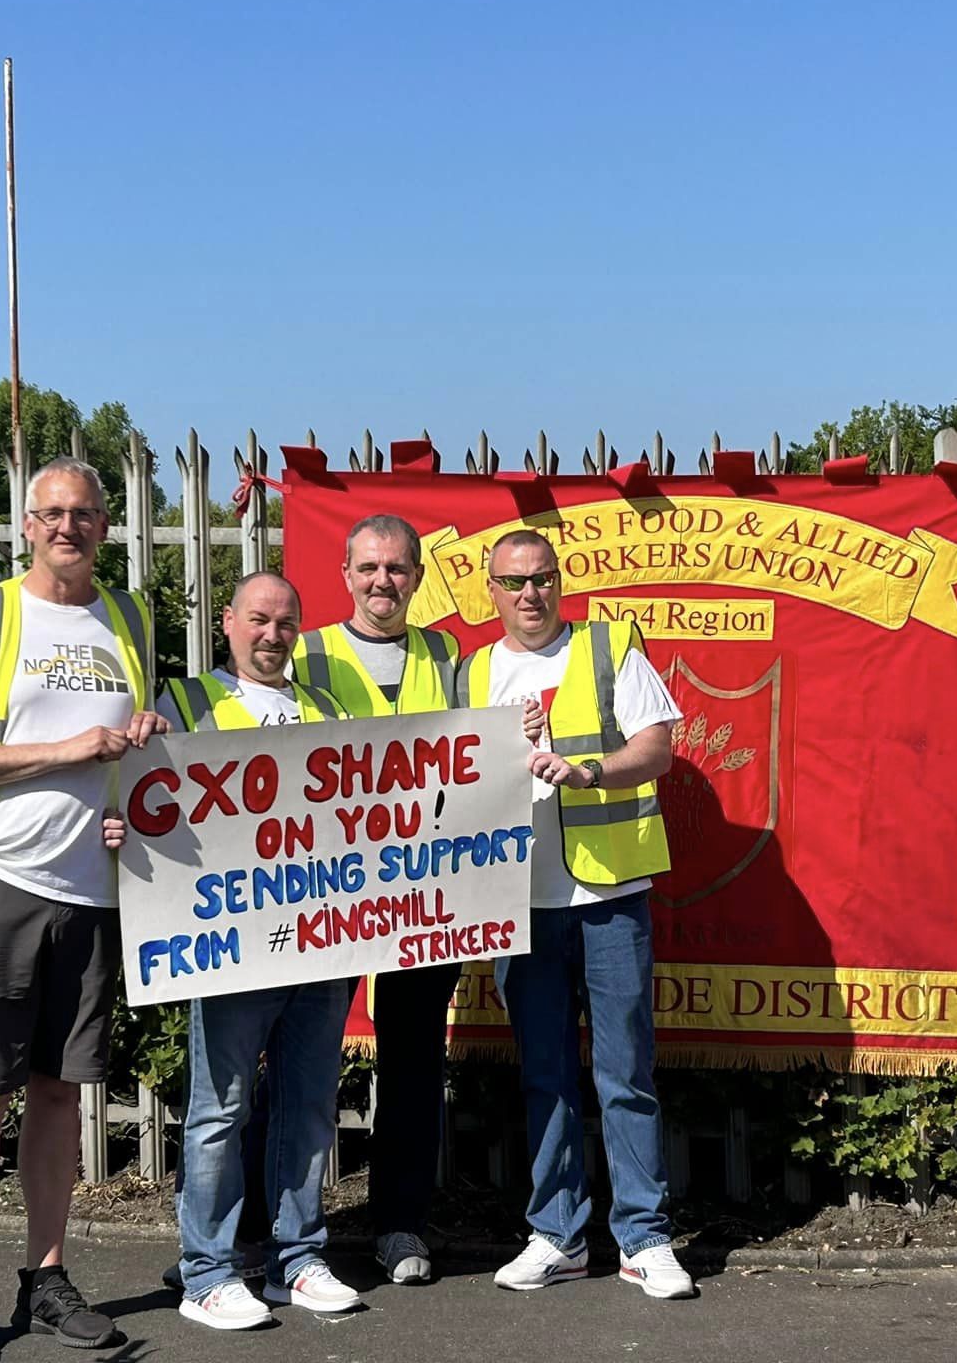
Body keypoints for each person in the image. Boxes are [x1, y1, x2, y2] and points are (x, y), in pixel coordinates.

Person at [0, 457, 164, 1363]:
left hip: (92, 892)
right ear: (26, 525)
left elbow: (136, 753)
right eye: (53, 514)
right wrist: (64, 751)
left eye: (86, 514)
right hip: (1, 886)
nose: (69, 528)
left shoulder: (130, 616)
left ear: (107, 525)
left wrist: (136, 755)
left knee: (60, 1096)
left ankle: (46, 1277)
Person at [104, 571, 362, 1329]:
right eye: (258, 620)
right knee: (220, 1109)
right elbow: (133, 795)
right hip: (227, 944)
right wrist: (121, 813)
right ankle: (207, 1271)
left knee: (309, 1105)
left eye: (285, 623)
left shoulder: (325, 708)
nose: (271, 636)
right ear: (228, 623)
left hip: (320, 942)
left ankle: (297, 1258)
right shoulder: (182, 705)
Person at [456, 529, 697, 1300]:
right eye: (513, 581)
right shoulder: (473, 671)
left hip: (610, 895)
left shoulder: (607, 645)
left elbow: (657, 748)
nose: (529, 594)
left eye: (542, 579)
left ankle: (644, 1238)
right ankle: (557, 1234)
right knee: (547, 1076)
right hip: (520, 901)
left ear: (560, 584)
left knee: (624, 1070)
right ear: (489, 591)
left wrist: (587, 771)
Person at [290, 514, 462, 1286]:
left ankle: (399, 1226)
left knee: (416, 1063)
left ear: (418, 577)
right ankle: (268, 1234)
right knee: (298, 1062)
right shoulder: (307, 653)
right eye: (368, 568)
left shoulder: (446, 655)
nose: (381, 583)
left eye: (396, 569)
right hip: (325, 893)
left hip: (424, 891)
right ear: (344, 572)